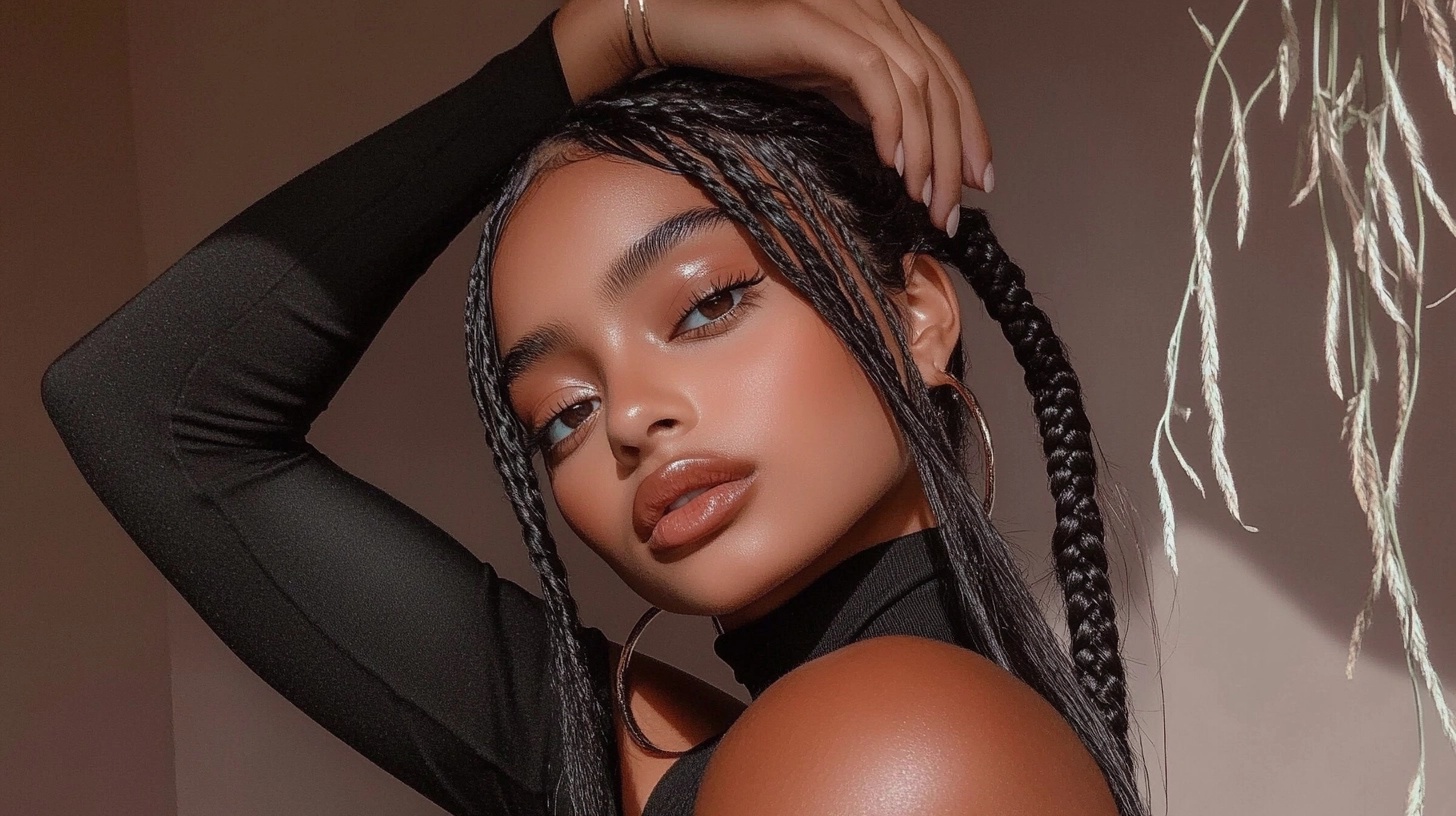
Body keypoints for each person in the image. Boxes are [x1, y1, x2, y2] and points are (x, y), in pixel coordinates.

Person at [41, 1, 1148, 815]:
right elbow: (150, 413)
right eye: (559, 413)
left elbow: (152, 413)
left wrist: (598, 41)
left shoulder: (894, 751)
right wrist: (609, 32)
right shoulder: (697, 762)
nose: (629, 419)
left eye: (707, 304)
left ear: (914, 315)